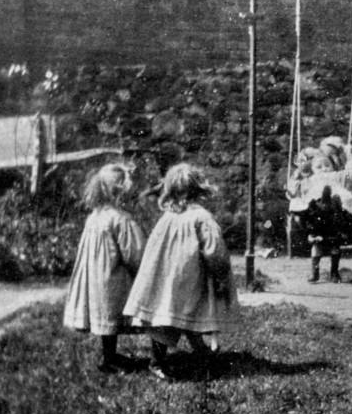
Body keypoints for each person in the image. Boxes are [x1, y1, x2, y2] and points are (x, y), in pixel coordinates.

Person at [123, 163, 237, 380]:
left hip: (167, 279)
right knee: (194, 315)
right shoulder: (201, 217)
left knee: (164, 317)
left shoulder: (168, 217)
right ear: (198, 189)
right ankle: (201, 356)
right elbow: (214, 250)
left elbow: (154, 249)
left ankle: (165, 360)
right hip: (192, 278)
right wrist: (221, 274)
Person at [62, 162, 148, 372]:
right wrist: (144, 271)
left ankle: (110, 357)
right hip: (112, 277)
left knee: (106, 318)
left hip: (95, 276)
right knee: (111, 313)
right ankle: (111, 360)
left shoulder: (94, 217)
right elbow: (135, 253)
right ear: (119, 192)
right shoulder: (120, 219)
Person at [286, 136, 352, 283]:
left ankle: (334, 272)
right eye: (319, 167)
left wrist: (349, 154)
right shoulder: (309, 181)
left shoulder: (337, 176)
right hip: (317, 216)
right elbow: (294, 187)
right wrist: (298, 172)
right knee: (316, 241)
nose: (324, 169)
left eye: (327, 166)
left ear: (333, 167)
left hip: (335, 217)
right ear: (312, 170)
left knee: (335, 243)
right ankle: (315, 272)